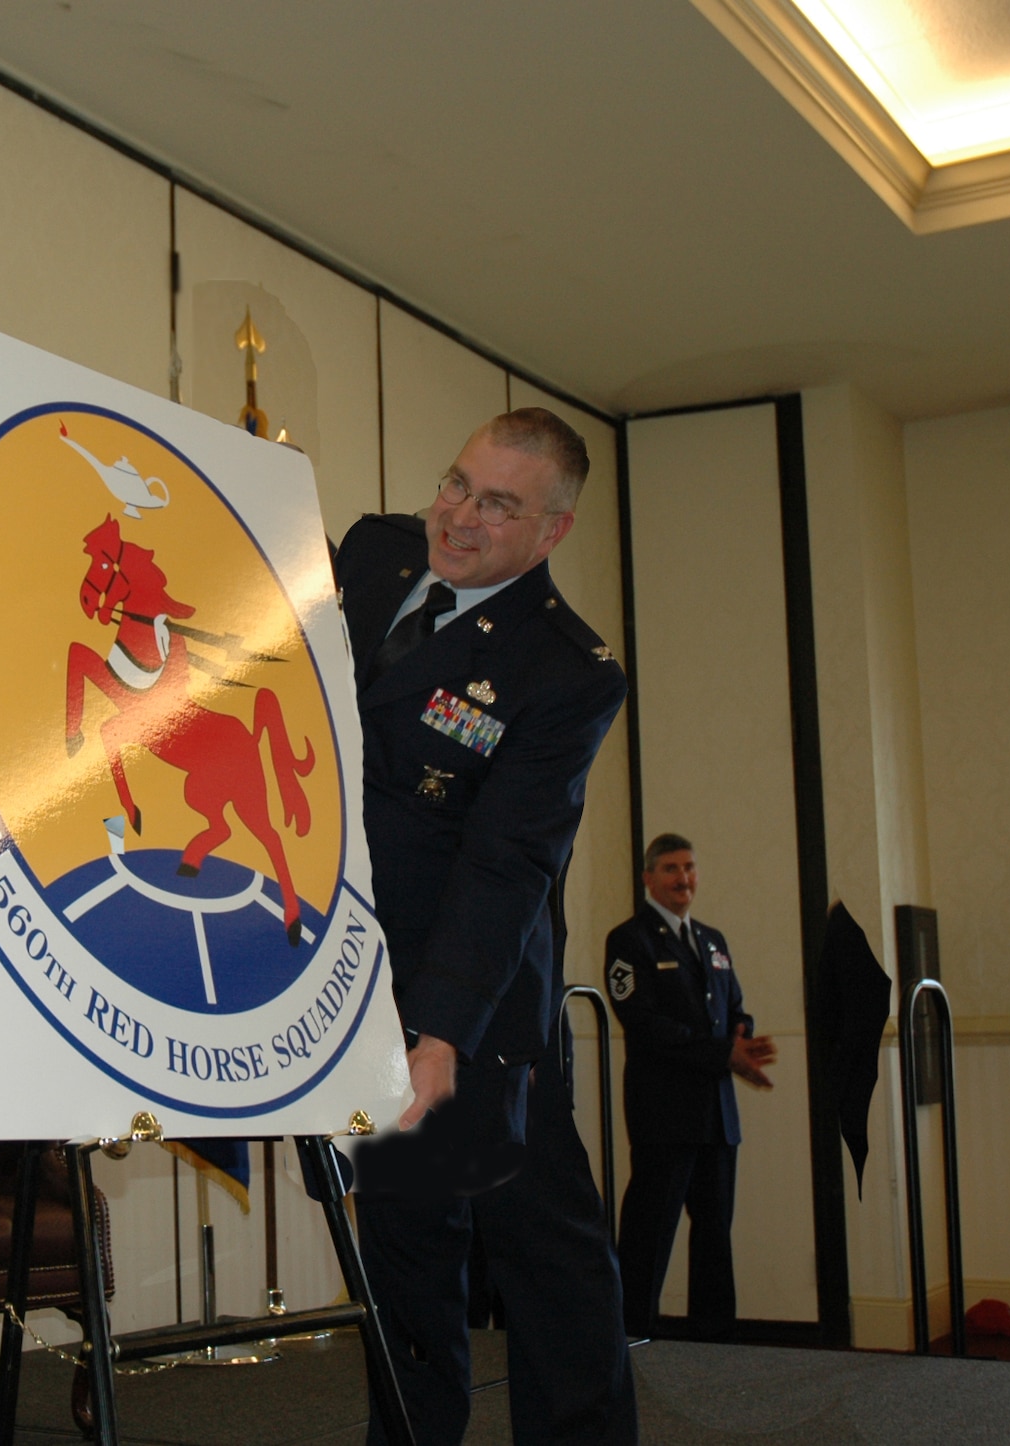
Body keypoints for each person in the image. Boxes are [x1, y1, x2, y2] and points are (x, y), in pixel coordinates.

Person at [335, 408, 635, 1445]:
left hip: (474, 997)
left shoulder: (566, 671)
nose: (455, 518)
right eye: (455, 482)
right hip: (358, 978)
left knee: (539, 1253)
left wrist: (441, 1033)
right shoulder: (373, 554)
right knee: (408, 1249)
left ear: (549, 532)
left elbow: (504, 863)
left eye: (496, 505)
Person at [605, 834, 775, 1342]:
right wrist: (724, 1052)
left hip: (717, 1115)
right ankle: (630, 1334)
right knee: (649, 1234)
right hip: (664, 1115)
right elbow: (643, 1023)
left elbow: (735, 1007)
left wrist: (741, 1040)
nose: (684, 879)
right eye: (672, 869)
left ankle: (715, 1342)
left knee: (715, 1235)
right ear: (649, 878)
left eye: (690, 868)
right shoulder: (630, 940)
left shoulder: (712, 939)